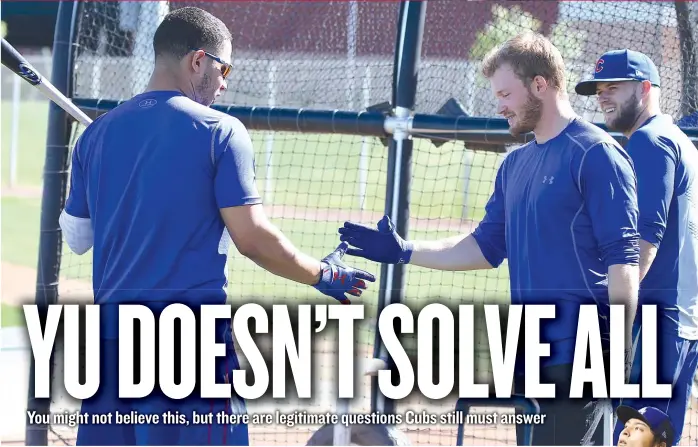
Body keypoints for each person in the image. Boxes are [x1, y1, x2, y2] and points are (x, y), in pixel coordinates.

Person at [59, 6, 375, 446]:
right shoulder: (220, 131)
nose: (225, 81)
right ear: (198, 60)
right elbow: (252, 239)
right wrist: (322, 274)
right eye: (224, 68)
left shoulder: (96, 136)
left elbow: (77, 239)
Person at [337, 32, 641, 446]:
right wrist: (404, 250)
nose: (499, 106)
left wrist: (618, 355)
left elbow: (623, 262)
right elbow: (483, 247)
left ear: (540, 84)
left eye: (505, 94)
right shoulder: (515, 164)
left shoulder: (596, 154)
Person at [575, 49, 698, 446]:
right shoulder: (678, 140)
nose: (603, 97)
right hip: (681, 323)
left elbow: (645, 237)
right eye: (598, 90)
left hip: (657, 324)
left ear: (645, 89)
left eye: (614, 87)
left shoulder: (650, 140)